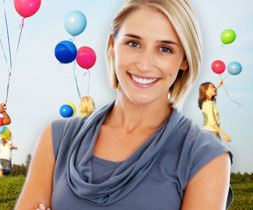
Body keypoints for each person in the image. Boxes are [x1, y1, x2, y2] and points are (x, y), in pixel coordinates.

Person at [16, 0, 232, 209]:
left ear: (184, 59)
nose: (145, 64)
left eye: (165, 49)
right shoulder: (57, 138)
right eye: (134, 43)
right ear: (113, 45)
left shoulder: (206, 157)